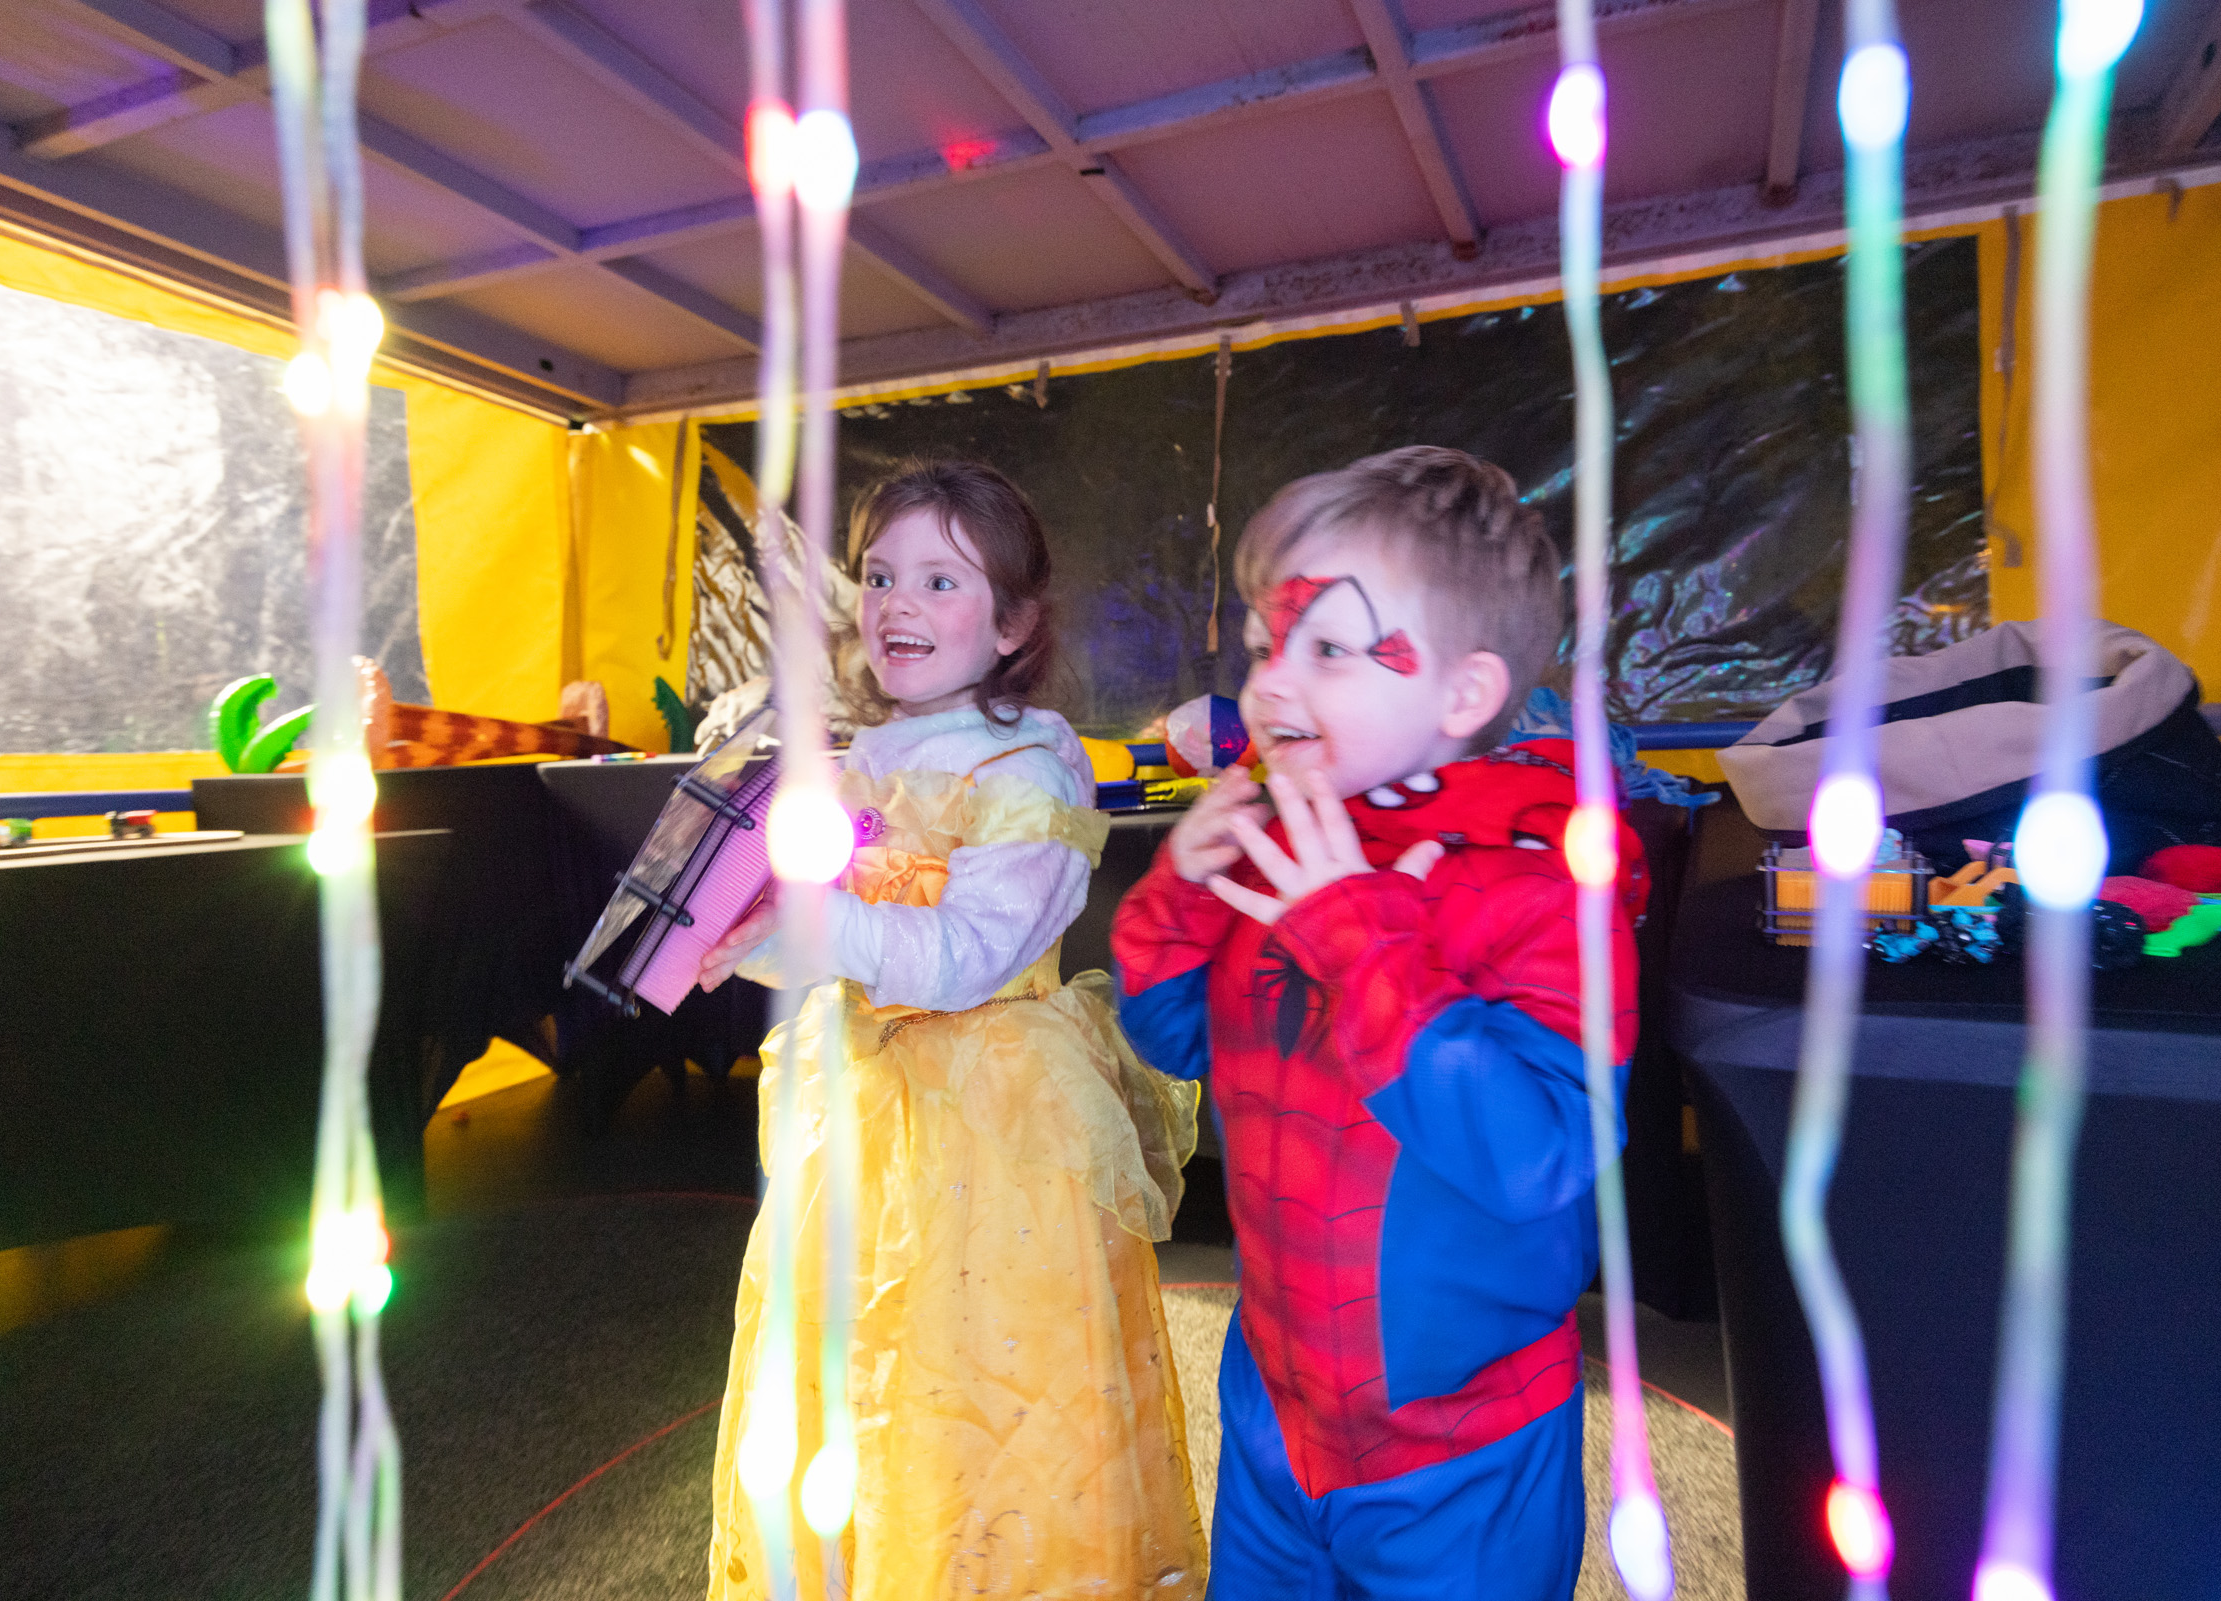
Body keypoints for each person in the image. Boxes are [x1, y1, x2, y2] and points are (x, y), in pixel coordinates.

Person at [1112, 447, 1646, 1600]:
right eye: (1265, 644)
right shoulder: (1288, 838)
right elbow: (1175, 1037)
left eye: (1328, 649)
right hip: (1275, 1411)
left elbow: (1546, 1150)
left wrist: (1357, 938)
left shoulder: (1542, 883)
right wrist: (1183, 890)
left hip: (1463, 1452)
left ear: (1463, 693)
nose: (1269, 686)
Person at [696, 460, 1207, 1601]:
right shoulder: (861, 759)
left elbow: (970, 950)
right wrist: (748, 940)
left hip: (1000, 1117)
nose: (897, 603)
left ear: (1013, 623)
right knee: (864, 1363)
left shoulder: (1031, 764)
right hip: (868, 1106)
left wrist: (821, 924)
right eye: (880, 575)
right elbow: (828, 936)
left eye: (940, 579)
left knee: (990, 1371)